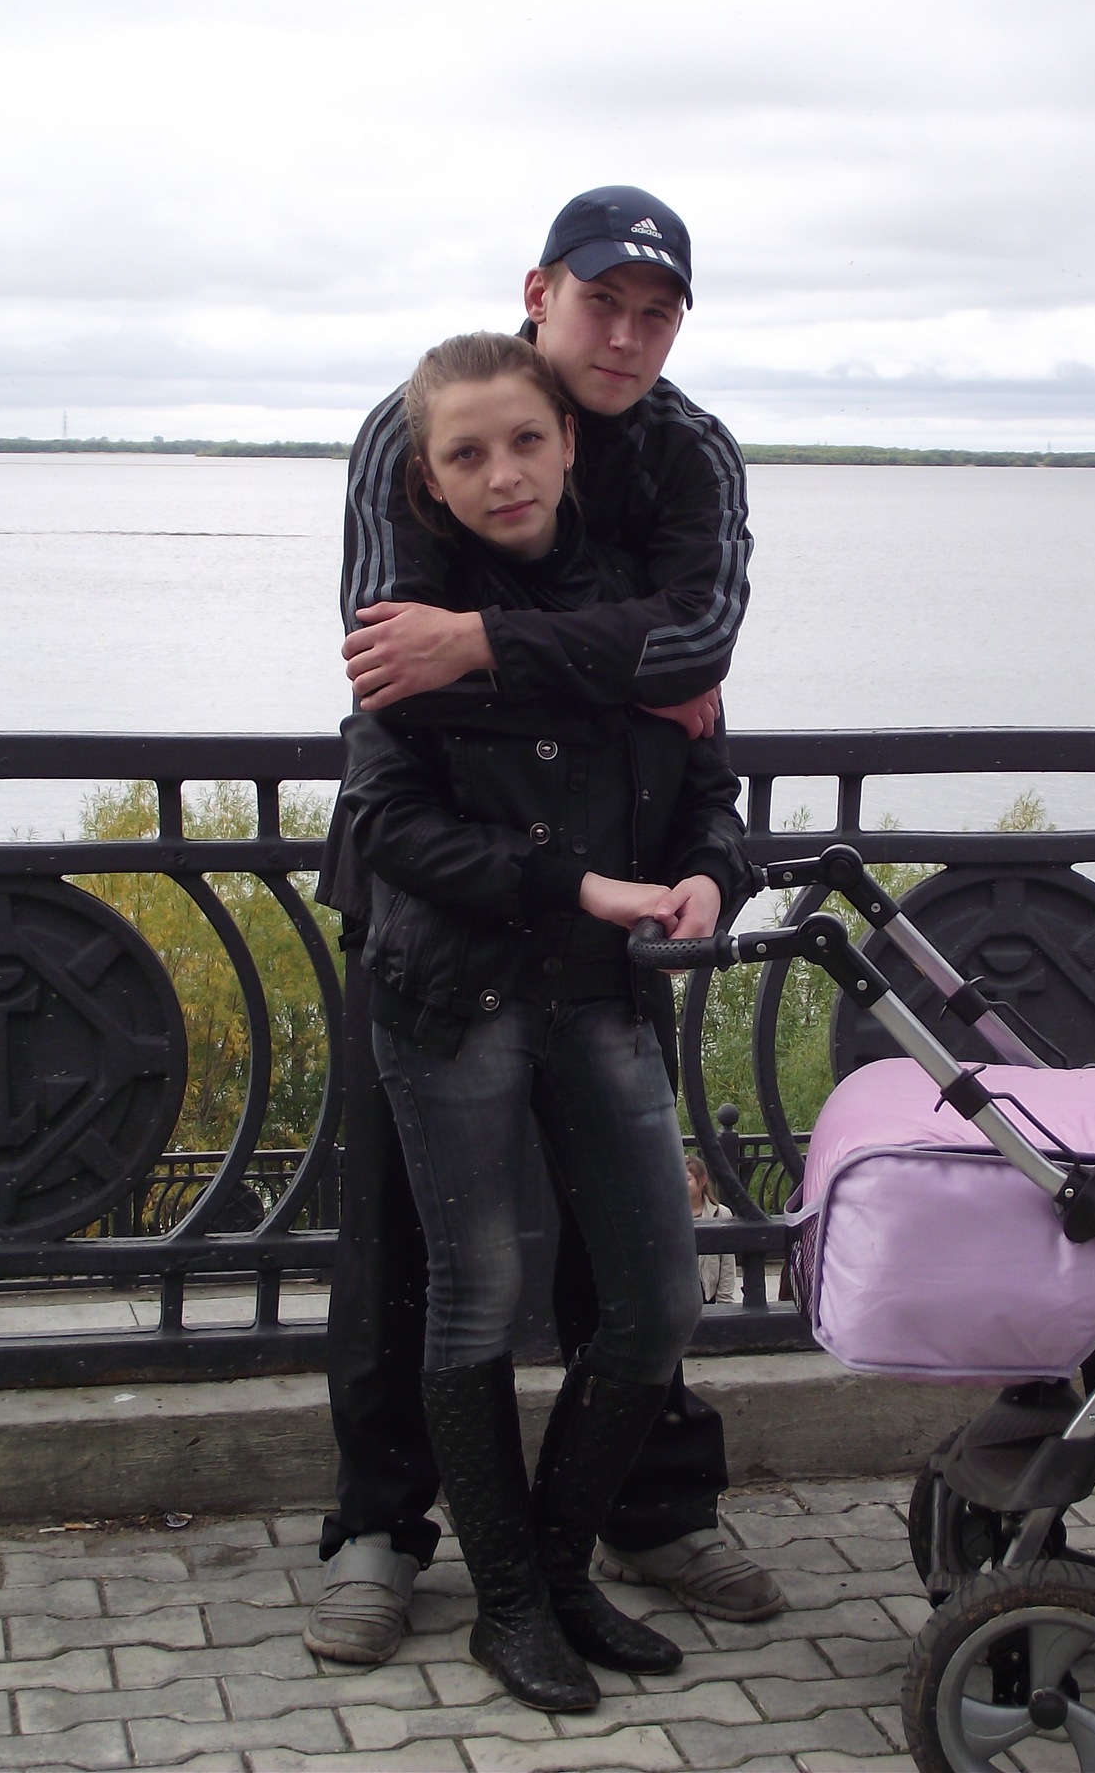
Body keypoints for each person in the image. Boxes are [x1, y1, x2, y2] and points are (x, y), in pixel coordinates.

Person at [309, 187, 783, 1670]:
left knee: (626, 1252)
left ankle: (640, 1511)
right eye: (600, 305)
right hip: (439, 910)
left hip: (608, 913)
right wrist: (609, 669)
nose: (626, 336)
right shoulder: (421, 420)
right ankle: (384, 1529)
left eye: (656, 314)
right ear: (540, 294)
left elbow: (699, 651)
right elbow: (389, 662)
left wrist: (487, 644)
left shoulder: (689, 451)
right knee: (413, 1248)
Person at [686, 1155, 732, 1304]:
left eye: (687, 1179)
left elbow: (727, 1264)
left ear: (702, 1180)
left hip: (708, 1295)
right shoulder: (668, 1216)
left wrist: (724, 1302)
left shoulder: (721, 1214)